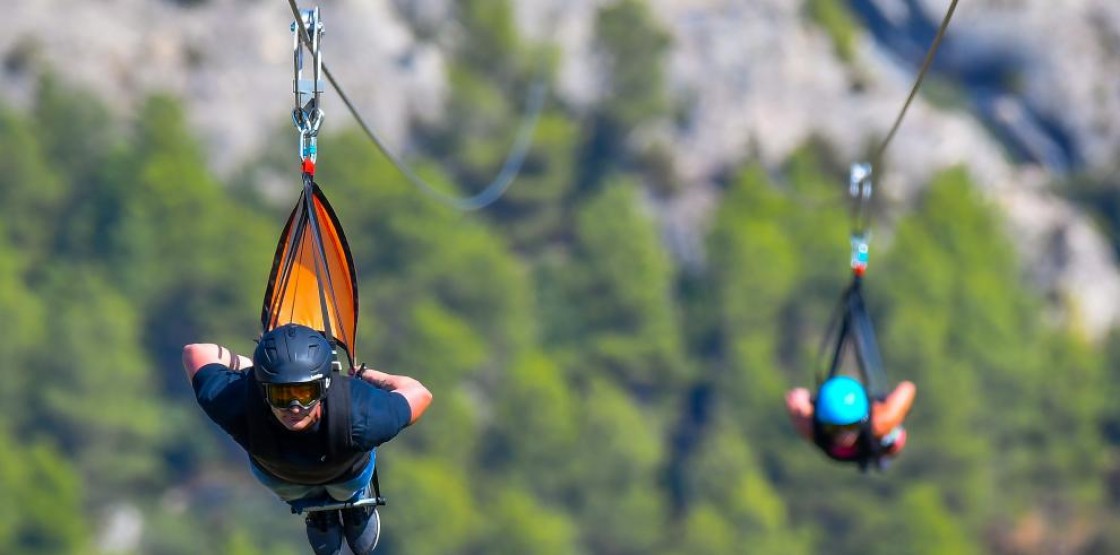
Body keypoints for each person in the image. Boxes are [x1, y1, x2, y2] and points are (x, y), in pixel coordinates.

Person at [183, 323, 432, 555]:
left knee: (342, 488)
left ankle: (352, 501)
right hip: (289, 480)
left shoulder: (359, 412)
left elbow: (197, 353)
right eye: (282, 394)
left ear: (324, 387)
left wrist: (370, 375)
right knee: (312, 490)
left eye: (304, 393)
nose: (294, 407)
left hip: (332, 476)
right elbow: (417, 393)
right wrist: (253, 370)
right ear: (264, 389)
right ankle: (323, 509)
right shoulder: (238, 404)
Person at [785, 375, 915, 467]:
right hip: (866, 440)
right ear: (823, 425)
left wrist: (889, 405)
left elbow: (907, 388)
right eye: (833, 428)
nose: (844, 436)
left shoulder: (881, 422)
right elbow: (794, 398)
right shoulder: (812, 428)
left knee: (895, 439)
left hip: (881, 441)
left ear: (862, 422)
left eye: (851, 426)